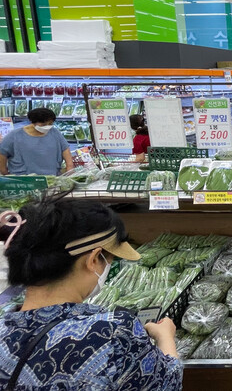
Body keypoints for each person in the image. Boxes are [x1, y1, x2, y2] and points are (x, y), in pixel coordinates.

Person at [0, 198, 183, 389]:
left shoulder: (4, 325)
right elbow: (167, 384)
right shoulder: (112, 332)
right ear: (94, 259)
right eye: (109, 258)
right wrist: (165, 337)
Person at [0, 108, 73, 175]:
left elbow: (65, 149)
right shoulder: (14, 136)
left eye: (50, 123)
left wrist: (69, 168)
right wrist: (4, 172)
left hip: (52, 177)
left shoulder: (54, 133)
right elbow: (2, 153)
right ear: (33, 122)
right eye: (43, 124)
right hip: (24, 179)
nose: (47, 126)